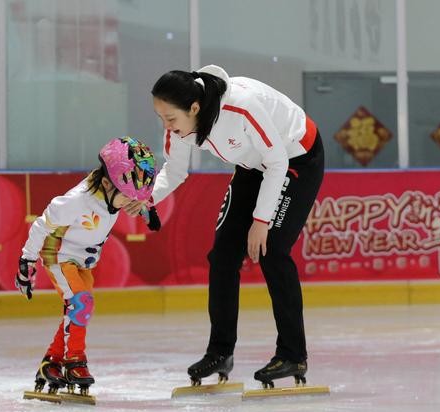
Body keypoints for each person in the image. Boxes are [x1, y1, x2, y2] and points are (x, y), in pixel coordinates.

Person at [126, 64, 325, 387]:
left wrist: (261, 222)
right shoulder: (179, 123)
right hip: (252, 165)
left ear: (194, 107)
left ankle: (292, 354)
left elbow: (277, 162)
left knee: (272, 250)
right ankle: (220, 352)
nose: (167, 127)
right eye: (161, 118)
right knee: (222, 257)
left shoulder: (241, 108)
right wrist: (147, 197)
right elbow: (174, 171)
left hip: (295, 158)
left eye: (171, 119)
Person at [15, 136, 159, 395]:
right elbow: (41, 225)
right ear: (106, 183)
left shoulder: (116, 191)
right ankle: (75, 362)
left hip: (82, 261)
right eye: (127, 196)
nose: (131, 202)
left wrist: (148, 209)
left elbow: (134, 199)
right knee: (81, 303)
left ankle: (52, 361)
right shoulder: (76, 200)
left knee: (77, 310)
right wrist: (26, 261)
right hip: (57, 254)